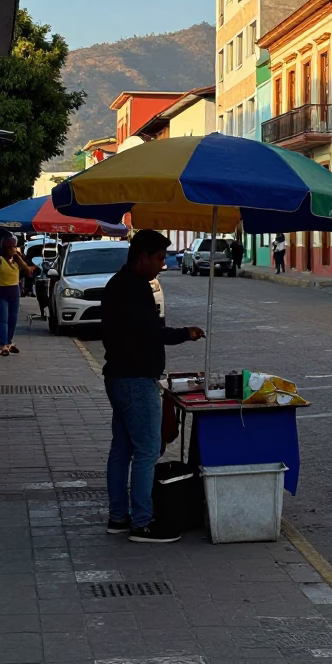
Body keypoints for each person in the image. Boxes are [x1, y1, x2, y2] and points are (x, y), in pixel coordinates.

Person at [100, 229, 205, 543]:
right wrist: (185, 333)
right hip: (134, 379)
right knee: (147, 450)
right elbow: (150, 332)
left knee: (121, 450)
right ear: (142, 256)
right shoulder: (134, 288)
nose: (162, 265)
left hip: (118, 377)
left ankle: (119, 517)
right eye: (159, 258)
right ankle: (142, 523)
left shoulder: (118, 284)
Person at [0, 236, 33, 354]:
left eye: (15, 247)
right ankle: (3, 345)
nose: (15, 249)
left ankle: (9, 342)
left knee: (13, 319)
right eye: (13, 247)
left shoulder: (17, 260)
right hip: (1, 291)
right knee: (3, 319)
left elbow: (28, 271)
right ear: (6, 248)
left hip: (14, 292)